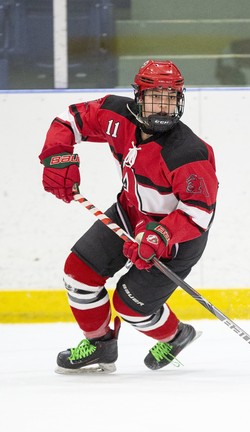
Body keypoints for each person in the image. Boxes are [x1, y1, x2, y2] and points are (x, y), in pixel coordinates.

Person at [39, 60, 219, 373]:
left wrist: (160, 235)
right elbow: (69, 120)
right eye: (154, 98)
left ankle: (177, 335)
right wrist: (57, 156)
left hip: (173, 239)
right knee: (78, 274)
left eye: (171, 99)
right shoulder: (116, 114)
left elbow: (199, 213)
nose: (163, 108)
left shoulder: (189, 153)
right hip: (129, 212)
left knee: (129, 306)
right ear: (138, 97)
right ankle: (100, 345)